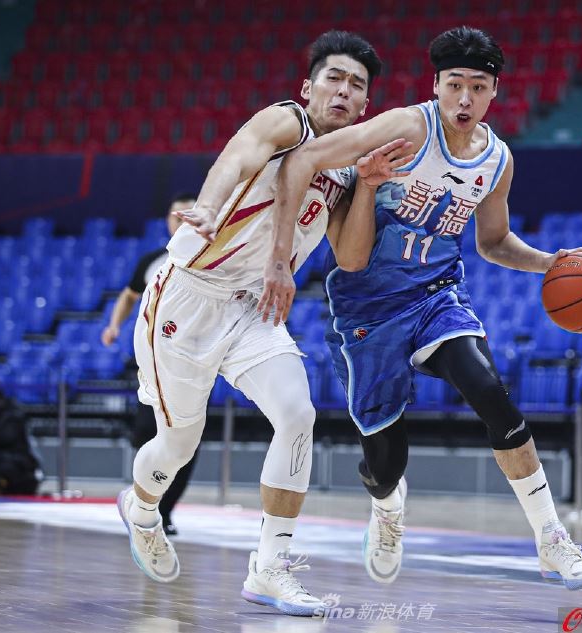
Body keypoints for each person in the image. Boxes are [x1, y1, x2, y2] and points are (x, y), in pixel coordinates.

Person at [265, 26, 582, 591]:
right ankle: (387, 506)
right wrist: (281, 258)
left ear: (494, 92)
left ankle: (552, 541)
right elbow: (304, 158)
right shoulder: (406, 127)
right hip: (367, 310)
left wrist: (553, 263)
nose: (465, 99)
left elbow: (493, 242)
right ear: (436, 85)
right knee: (386, 465)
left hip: (436, 296)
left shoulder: (497, 160)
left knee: (490, 391)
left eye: (477, 86)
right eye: (455, 85)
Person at [115, 31, 407, 617]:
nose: (344, 91)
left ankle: (270, 569)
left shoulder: (349, 167)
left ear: (365, 105)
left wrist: (370, 187)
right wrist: (206, 206)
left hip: (254, 309)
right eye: (334, 78)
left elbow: (351, 259)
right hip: (189, 297)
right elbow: (236, 156)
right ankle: (142, 509)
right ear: (309, 87)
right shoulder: (286, 121)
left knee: (298, 414)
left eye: (357, 85)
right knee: (178, 443)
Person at [101, 193, 196, 535]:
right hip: (154, 364)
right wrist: (114, 325)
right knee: (146, 432)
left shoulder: (214, 259)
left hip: (194, 365)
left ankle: (164, 513)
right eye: (175, 215)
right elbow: (128, 296)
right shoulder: (152, 261)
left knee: (186, 440)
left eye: (188, 214)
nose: (180, 221)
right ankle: (146, 501)